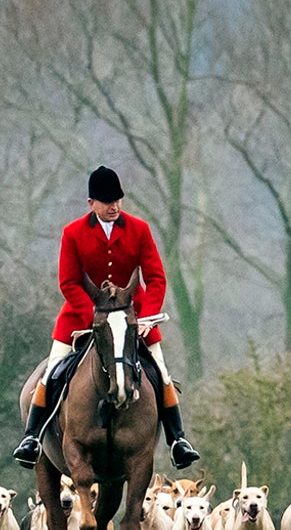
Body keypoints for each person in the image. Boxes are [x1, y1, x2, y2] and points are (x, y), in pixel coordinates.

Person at [14, 166, 200, 470]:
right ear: (91, 204)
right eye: (107, 202)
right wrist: (96, 318)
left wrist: (148, 318)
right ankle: (32, 438)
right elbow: (68, 283)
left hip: (134, 322)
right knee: (51, 374)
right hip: (80, 321)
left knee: (162, 373)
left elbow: (156, 279)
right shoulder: (72, 233)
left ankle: (178, 439)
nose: (114, 206)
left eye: (118, 200)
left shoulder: (139, 229)